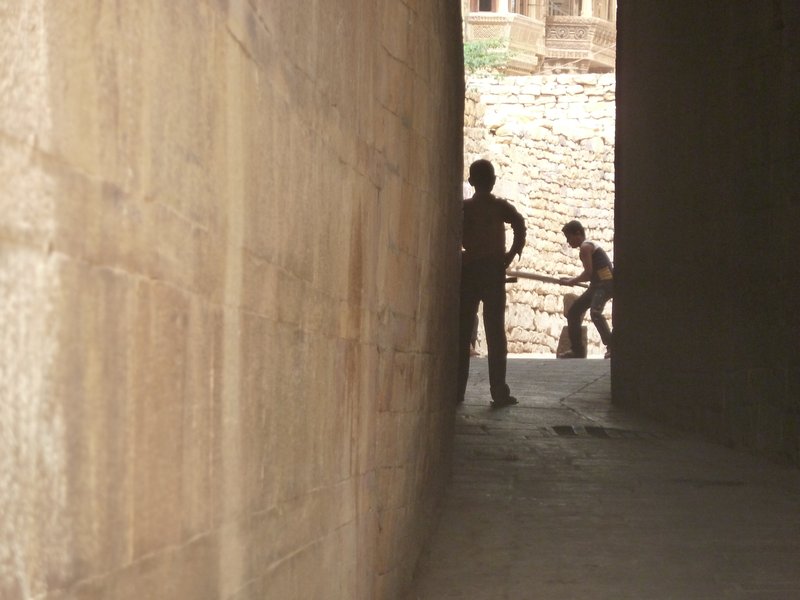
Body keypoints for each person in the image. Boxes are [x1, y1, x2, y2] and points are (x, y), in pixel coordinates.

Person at [458, 159, 526, 407]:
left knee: (462, 331)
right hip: (493, 271)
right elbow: (519, 223)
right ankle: (499, 391)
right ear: (493, 180)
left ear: (471, 181)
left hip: (469, 271)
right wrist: (511, 254)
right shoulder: (499, 206)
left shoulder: (464, 208)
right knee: (495, 332)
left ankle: (457, 390)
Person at [558, 220, 613, 359]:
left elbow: (588, 273)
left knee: (595, 312)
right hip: (596, 286)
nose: (568, 242)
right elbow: (590, 275)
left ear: (578, 234)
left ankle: (613, 346)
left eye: (569, 237)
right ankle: (577, 350)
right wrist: (571, 280)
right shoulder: (586, 247)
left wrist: (572, 281)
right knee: (574, 313)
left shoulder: (586, 247)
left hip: (605, 285)